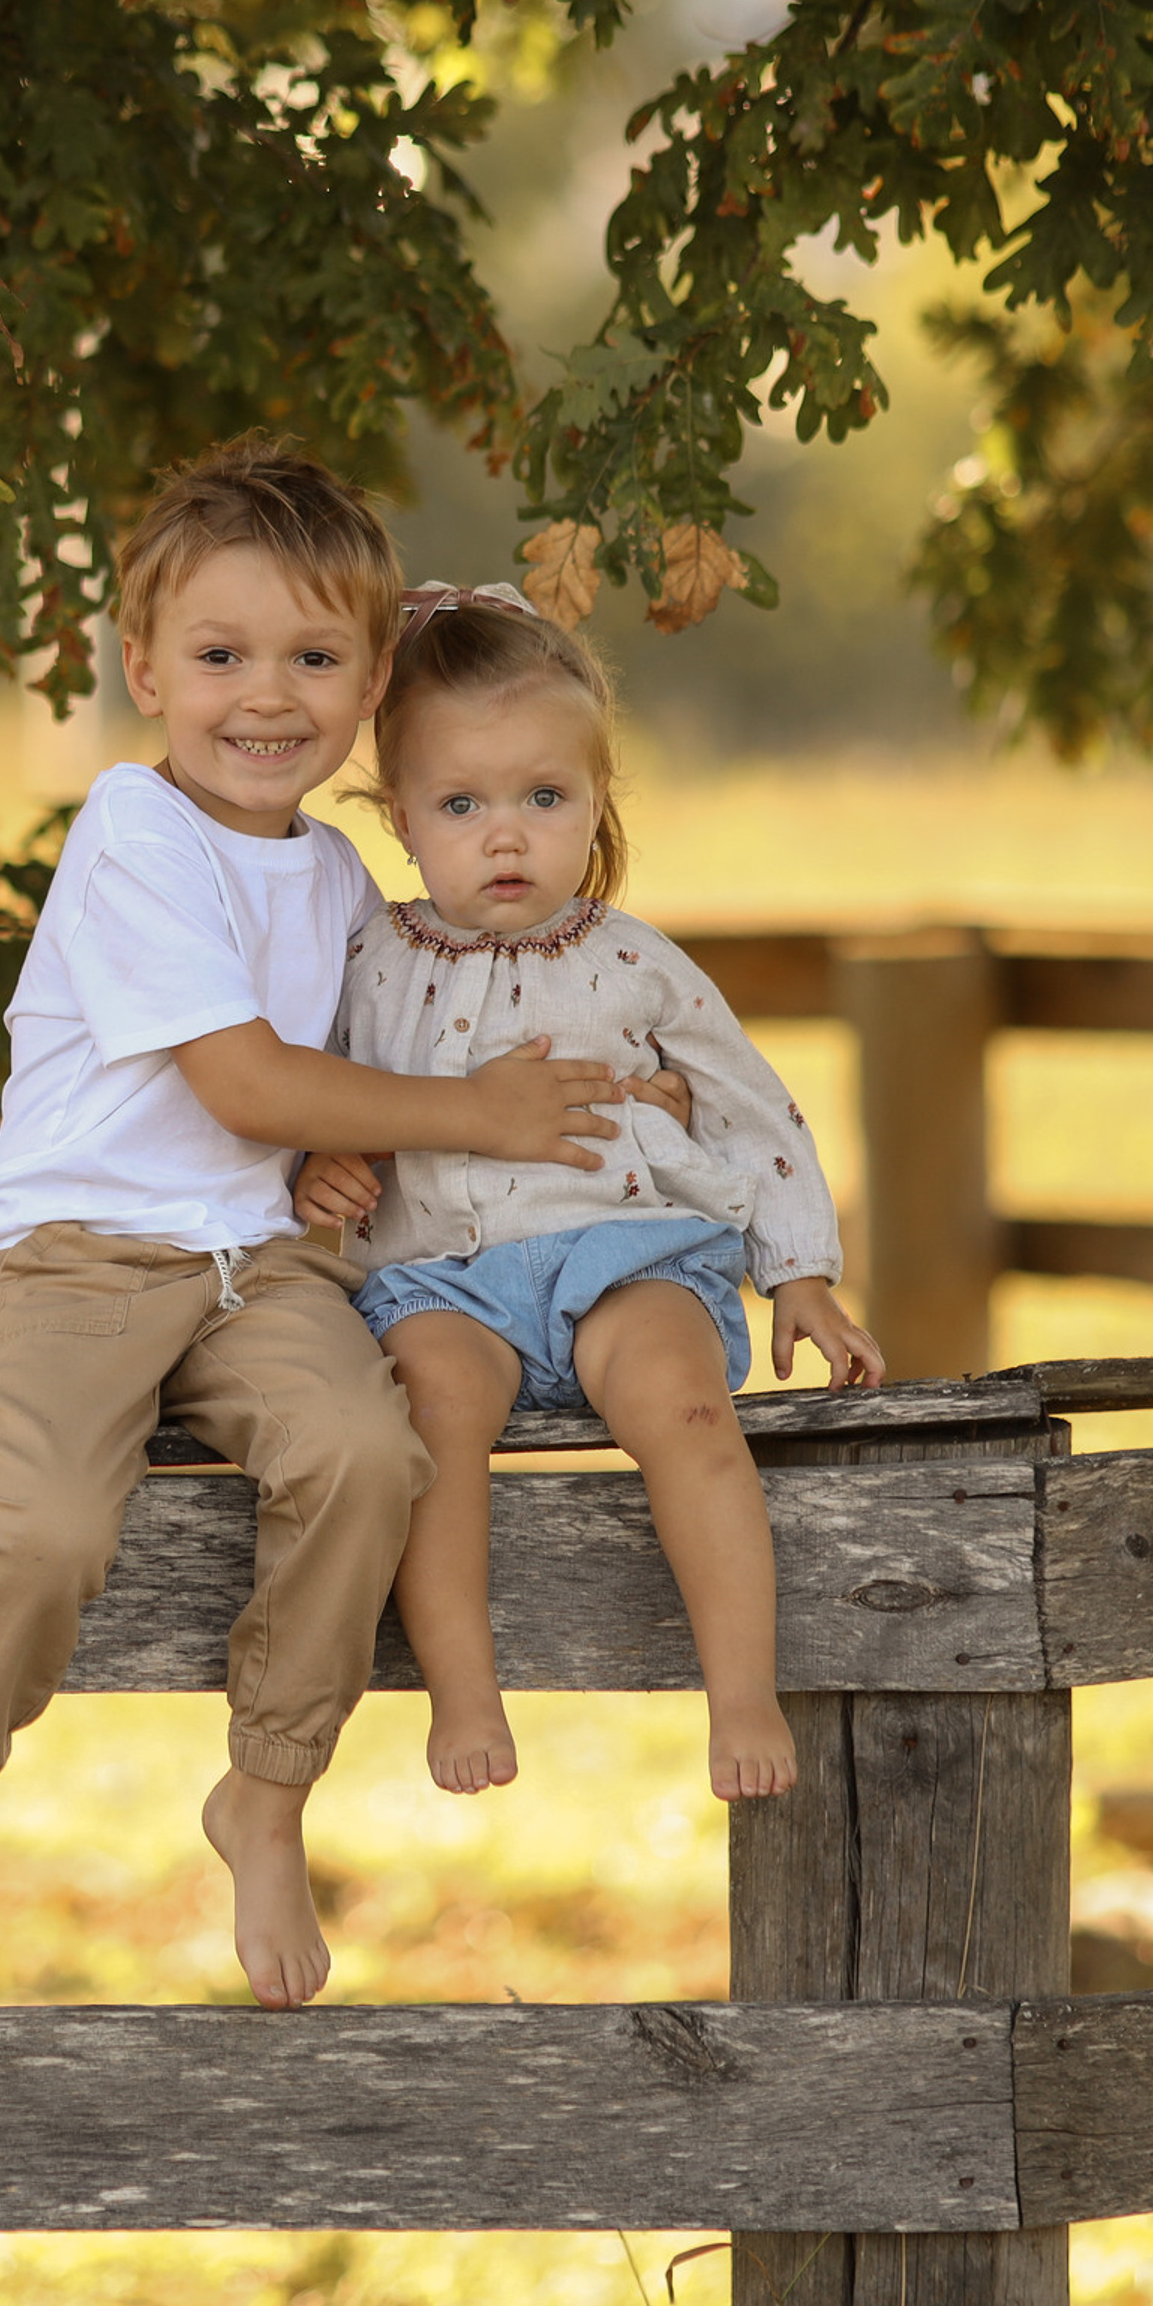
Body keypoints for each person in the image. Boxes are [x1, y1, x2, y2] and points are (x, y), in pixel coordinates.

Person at [0, 448, 657, 2050]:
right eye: (218, 658)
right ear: (145, 670)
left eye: (311, 659)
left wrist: (349, 1146)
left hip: (256, 1265)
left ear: (368, 687)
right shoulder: (135, 832)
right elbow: (239, 1077)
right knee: (58, 1523)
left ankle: (268, 1791)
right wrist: (460, 1117)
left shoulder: (345, 878)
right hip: (73, 1259)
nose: (263, 698)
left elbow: (326, 1069)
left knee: (367, 1453)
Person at [292, 581, 884, 1809]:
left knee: (685, 1405)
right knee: (433, 1419)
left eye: (542, 798)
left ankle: (741, 1692)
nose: (503, 836)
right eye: (461, 804)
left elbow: (749, 1107)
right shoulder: (366, 957)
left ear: (596, 801)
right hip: (443, 1277)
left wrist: (803, 1273)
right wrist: (321, 1164)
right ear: (399, 815)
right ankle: (464, 1689)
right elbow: (321, 1091)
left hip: (624, 1258)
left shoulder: (630, 960)